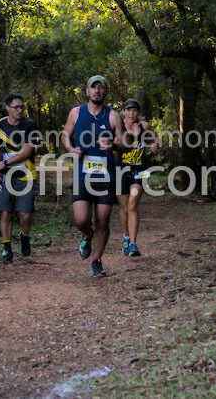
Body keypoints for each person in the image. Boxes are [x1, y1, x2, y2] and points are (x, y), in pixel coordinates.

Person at [61, 75, 123, 277]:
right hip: (82, 174)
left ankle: (96, 261)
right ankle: (87, 235)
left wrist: (113, 145)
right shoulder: (76, 113)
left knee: (103, 220)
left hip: (106, 176)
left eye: (101, 88)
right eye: (93, 88)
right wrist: (70, 148)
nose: (97, 91)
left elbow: (123, 144)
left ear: (106, 91)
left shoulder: (113, 116)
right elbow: (65, 134)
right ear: (87, 91)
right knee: (81, 220)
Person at [0, 93, 39, 263]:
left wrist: (4, 163)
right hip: (6, 176)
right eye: (16, 107)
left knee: (25, 214)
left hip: (26, 174)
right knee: (6, 211)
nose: (20, 110)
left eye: (22, 106)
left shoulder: (29, 124)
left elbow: (27, 151)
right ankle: (7, 247)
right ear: (7, 108)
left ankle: (24, 236)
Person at [117, 99, 158, 257]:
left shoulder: (144, 127)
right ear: (124, 112)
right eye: (129, 110)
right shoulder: (118, 128)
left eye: (135, 110)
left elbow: (155, 139)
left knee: (133, 204)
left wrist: (155, 146)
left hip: (140, 170)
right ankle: (125, 238)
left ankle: (133, 244)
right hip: (121, 170)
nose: (132, 113)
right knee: (125, 207)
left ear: (138, 113)